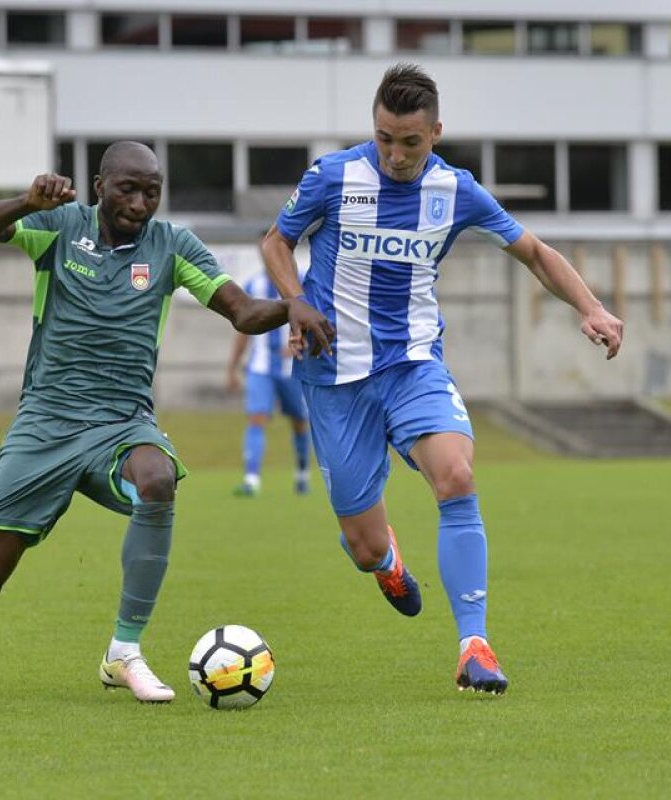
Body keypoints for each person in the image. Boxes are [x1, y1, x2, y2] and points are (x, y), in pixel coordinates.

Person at [0, 141, 333, 702]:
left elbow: (244, 312)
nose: (141, 203)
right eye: (128, 190)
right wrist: (25, 201)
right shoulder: (59, 226)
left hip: (122, 422)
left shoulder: (172, 246)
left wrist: (295, 303)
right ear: (100, 187)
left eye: (152, 192)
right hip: (45, 423)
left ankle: (124, 652)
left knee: (158, 479)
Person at [260, 63, 623, 694]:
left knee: (456, 475)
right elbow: (274, 243)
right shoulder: (332, 176)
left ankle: (474, 645)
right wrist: (296, 301)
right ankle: (387, 560)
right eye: (384, 139)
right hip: (334, 376)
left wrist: (590, 307)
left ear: (436, 135)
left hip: (413, 365)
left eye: (411, 143)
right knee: (364, 546)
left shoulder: (456, 192)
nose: (395, 155)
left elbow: (534, 252)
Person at [226, 267, 312, 497]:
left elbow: (315, 317)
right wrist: (233, 367)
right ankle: (251, 479)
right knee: (256, 418)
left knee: (300, 422)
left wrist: (302, 340)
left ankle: (302, 472)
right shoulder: (253, 285)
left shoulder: (302, 282)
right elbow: (243, 327)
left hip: (292, 368)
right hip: (260, 367)